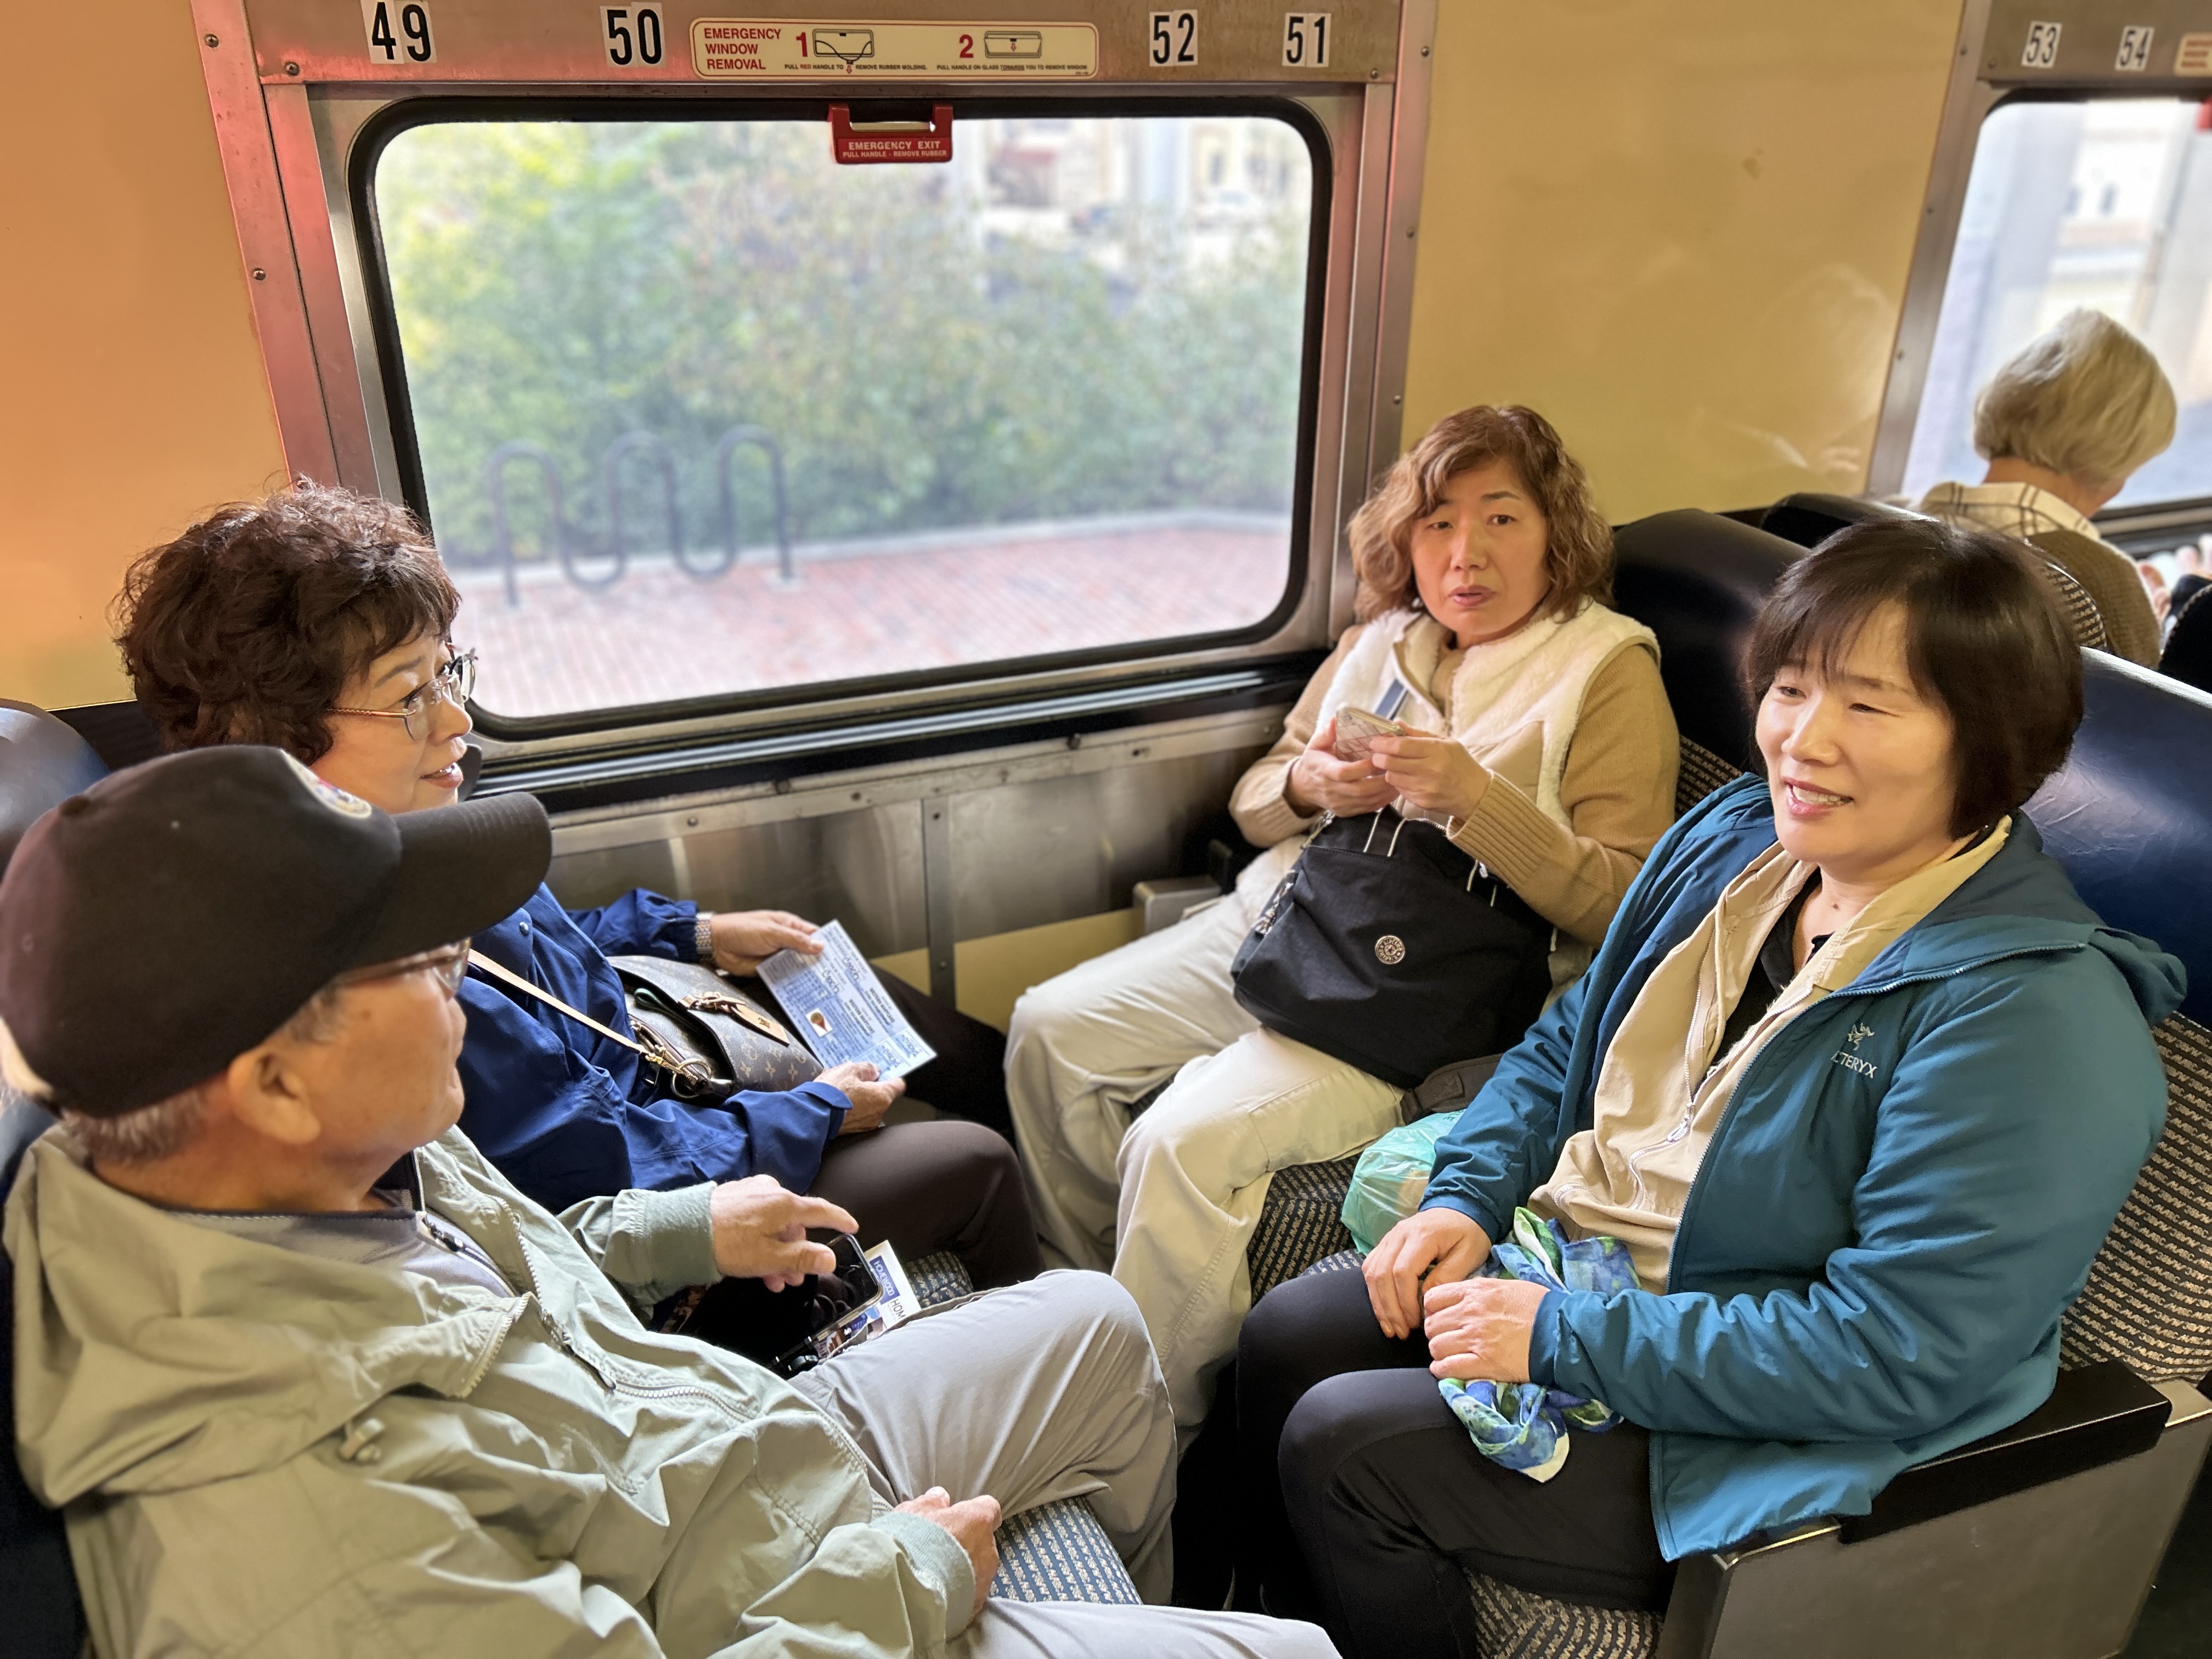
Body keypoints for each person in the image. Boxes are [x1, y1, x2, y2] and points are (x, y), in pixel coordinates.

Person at [0, 746, 1333, 1658]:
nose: (461, 964)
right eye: (415, 959)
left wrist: (683, 1227)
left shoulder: (336, 1159)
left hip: (703, 1457)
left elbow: (507, 1275)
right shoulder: (305, 1548)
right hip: (748, 1595)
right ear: (277, 1084)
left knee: (1100, 1325)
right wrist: (913, 1585)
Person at [1233, 517, 2182, 1658]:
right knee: (1286, 1336)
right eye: (1789, 689)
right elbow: (1572, 1041)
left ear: (1987, 742)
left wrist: (1564, 1338)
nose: (1802, 741)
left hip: (1754, 1414)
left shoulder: (2032, 1018)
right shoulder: (1738, 841)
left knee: (1348, 1449)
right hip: (1583, 1268)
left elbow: (1898, 1352)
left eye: (1869, 705)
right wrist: (1466, 1193)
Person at [112, 484, 1040, 1290]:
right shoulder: (374, 975)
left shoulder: (416, 834)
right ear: (276, 737)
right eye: (408, 696)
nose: (457, 719)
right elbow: (588, 1167)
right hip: (658, 1175)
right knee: (975, 1163)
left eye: (448, 673)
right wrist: (813, 1112)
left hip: (651, 1060)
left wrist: (692, 930)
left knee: (868, 996)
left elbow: (546, 942)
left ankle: (1058, 1177)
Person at [1006, 406, 1681, 1430]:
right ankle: (1096, 1309)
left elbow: (1626, 901)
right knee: (1047, 1033)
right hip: (1283, 918)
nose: (1464, 553)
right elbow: (1255, 798)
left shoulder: (1605, 669)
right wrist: (1310, 785)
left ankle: (1148, 1436)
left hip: (1413, 986)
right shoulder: (1381, 642)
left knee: (1178, 1142)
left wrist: (1477, 802)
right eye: (1438, 524)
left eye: (1501, 519)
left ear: (1558, 534)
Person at [1916, 307, 2174, 665]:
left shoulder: (1896, 522)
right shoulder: (2104, 583)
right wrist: (2147, 628)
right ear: (2113, 462)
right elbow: (2140, 693)